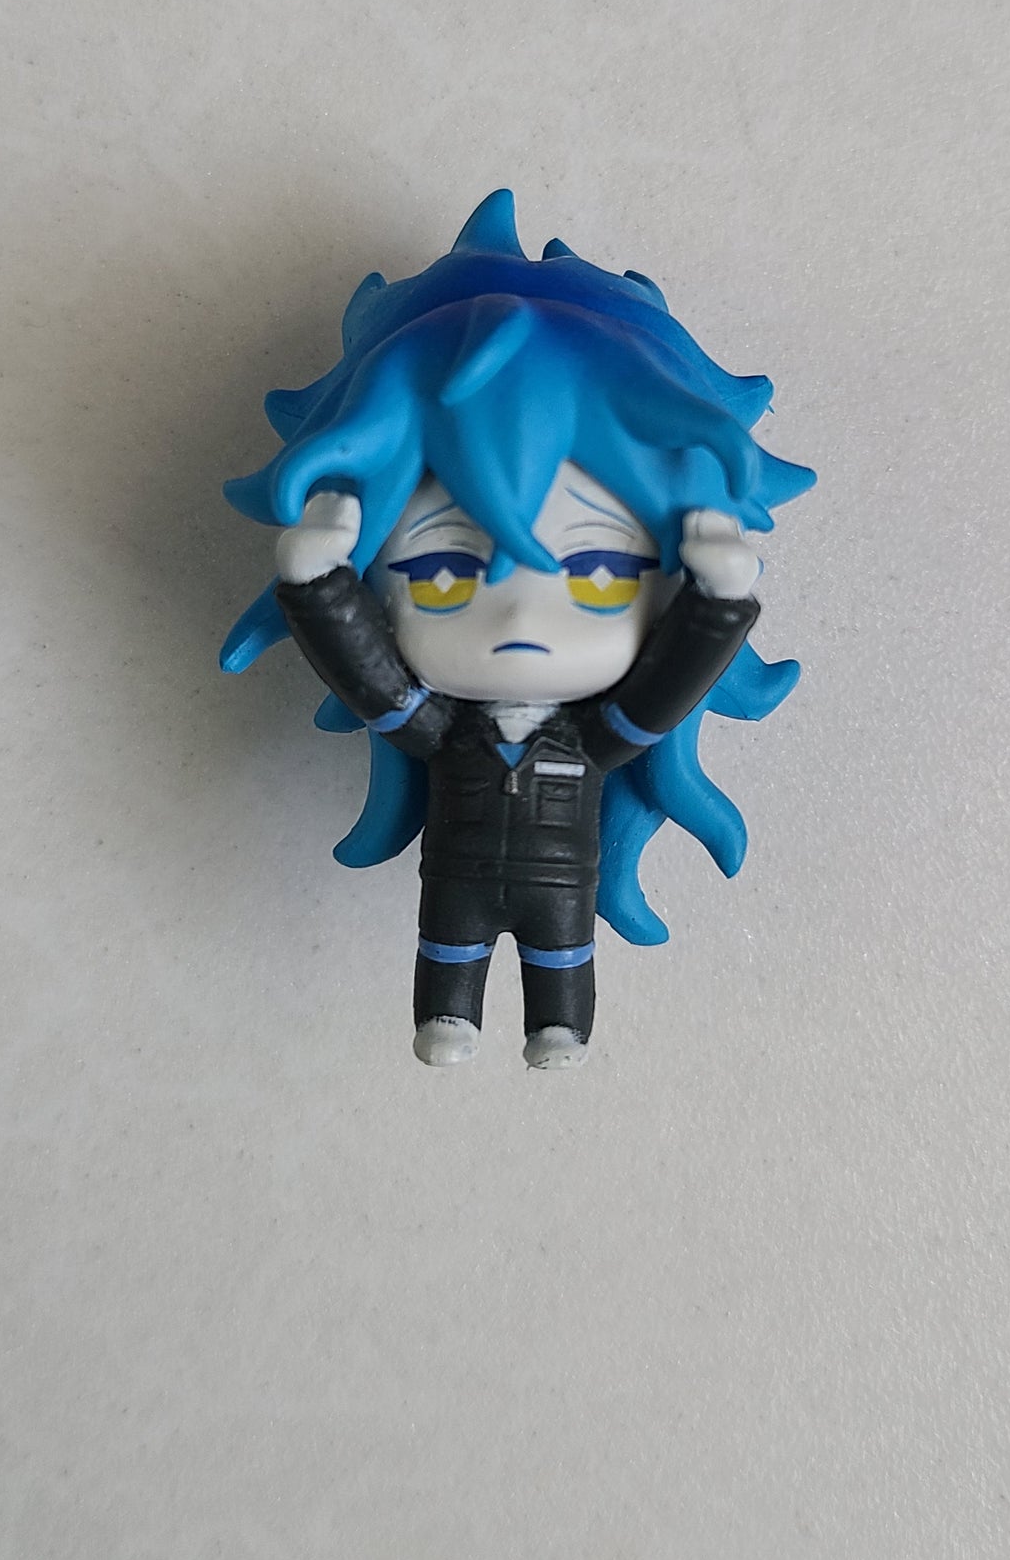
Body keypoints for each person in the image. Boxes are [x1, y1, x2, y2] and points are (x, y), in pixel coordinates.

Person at [220, 192, 813, 1067]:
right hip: (457, 891)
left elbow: (661, 696)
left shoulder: (593, 735)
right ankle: (451, 1017)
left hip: (558, 893)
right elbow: (373, 683)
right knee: (450, 959)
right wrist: (320, 587)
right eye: (443, 571)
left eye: (602, 574)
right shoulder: (449, 729)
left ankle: (559, 1027)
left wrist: (718, 604)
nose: (523, 616)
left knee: (559, 965)